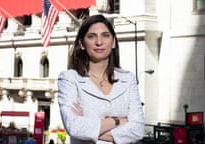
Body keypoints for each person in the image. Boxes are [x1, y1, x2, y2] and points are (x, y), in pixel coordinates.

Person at [57, 14, 144, 144]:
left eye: (105, 35)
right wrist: (117, 121)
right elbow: (74, 127)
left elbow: (138, 129)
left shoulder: (128, 79)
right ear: (81, 44)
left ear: (113, 42)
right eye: (92, 36)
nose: (99, 42)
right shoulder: (69, 79)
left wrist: (90, 129)